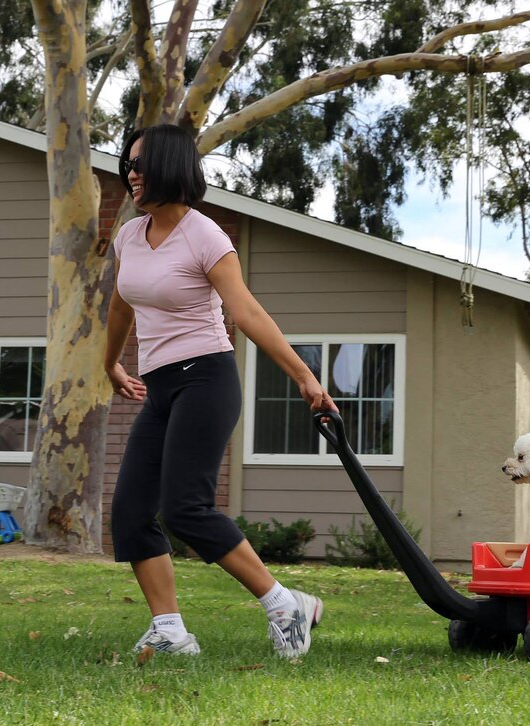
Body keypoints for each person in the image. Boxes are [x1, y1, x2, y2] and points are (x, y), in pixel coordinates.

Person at [104, 124, 339, 659]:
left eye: (140, 163)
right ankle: (169, 630)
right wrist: (111, 363)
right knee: (131, 512)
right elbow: (121, 306)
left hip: (207, 378)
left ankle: (285, 603)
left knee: (185, 508)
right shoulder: (128, 237)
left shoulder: (204, 235)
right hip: (161, 384)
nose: (131, 173)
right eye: (128, 164)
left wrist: (304, 376)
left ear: (169, 166)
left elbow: (246, 311)